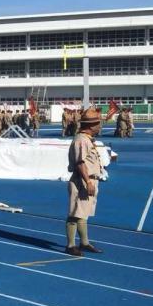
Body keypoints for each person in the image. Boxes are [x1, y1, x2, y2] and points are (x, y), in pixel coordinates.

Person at [65, 107, 104, 256]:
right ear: (91, 125)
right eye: (98, 124)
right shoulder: (81, 140)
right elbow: (80, 163)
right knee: (75, 213)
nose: (99, 126)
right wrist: (88, 182)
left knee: (83, 213)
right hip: (81, 180)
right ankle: (70, 245)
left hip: (88, 180)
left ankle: (84, 243)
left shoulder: (86, 139)